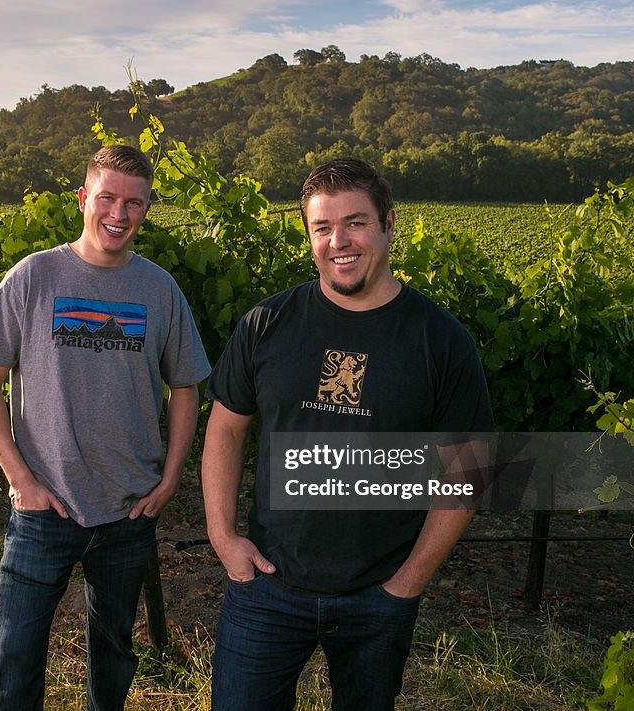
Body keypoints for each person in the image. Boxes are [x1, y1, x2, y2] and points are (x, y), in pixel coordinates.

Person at [201, 158, 493, 711]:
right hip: (265, 586)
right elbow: (225, 432)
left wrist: (407, 584)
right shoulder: (267, 324)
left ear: (387, 223)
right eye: (322, 228)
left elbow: (467, 471)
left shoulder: (440, 340)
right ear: (309, 235)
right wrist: (223, 537)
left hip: (378, 594)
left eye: (356, 223)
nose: (339, 241)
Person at [0, 145, 211, 711]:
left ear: (147, 210)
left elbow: (186, 388)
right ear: (83, 199)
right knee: (17, 653)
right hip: (42, 509)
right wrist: (22, 481)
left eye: (134, 204)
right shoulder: (33, 277)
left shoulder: (160, 290)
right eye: (107, 198)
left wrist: (170, 478)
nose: (119, 215)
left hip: (128, 509)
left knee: (114, 651)